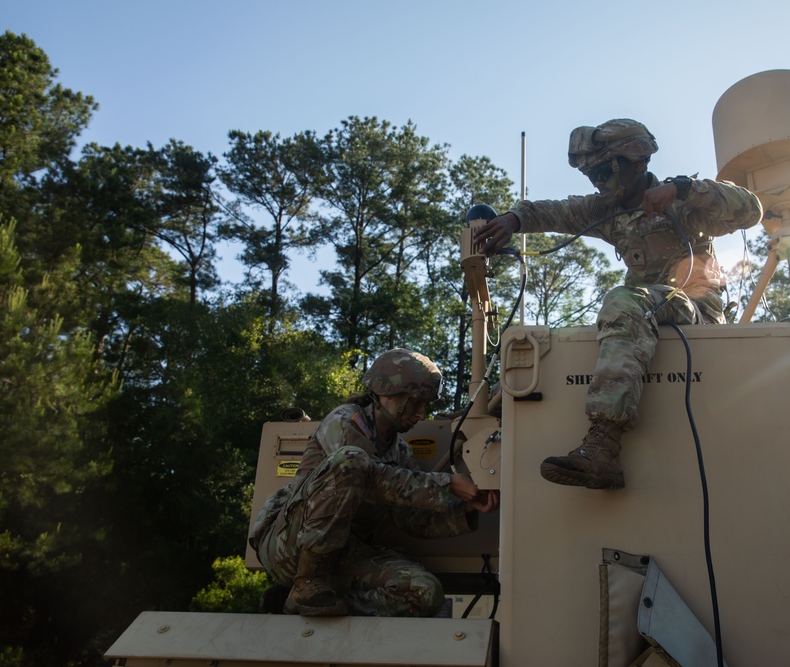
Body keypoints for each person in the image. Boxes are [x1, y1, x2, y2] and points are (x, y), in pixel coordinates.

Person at [473, 119, 762, 490]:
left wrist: (683, 189)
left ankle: (602, 447)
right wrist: (513, 219)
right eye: (589, 172)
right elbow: (556, 211)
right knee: (614, 310)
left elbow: (751, 209)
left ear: (636, 162)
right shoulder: (605, 211)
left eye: (603, 170)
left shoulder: (686, 204)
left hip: (696, 310)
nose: (595, 181)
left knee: (622, 300)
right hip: (645, 312)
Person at [249, 348, 499, 617]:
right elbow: (367, 477)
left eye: (426, 405)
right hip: (291, 546)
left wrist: (466, 510)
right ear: (387, 393)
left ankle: (305, 603)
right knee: (352, 461)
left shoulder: (401, 452)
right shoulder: (345, 420)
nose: (421, 413)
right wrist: (448, 483)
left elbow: (410, 519)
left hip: (346, 555)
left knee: (425, 591)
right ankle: (307, 584)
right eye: (416, 402)